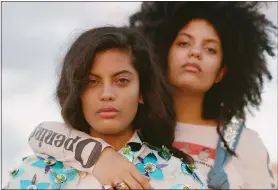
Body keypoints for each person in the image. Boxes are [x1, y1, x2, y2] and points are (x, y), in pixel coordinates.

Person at [25, 2, 277, 189]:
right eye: (183, 43)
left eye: (210, 49)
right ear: (162, 51)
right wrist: (100, 155)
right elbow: (41, 134)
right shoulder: (127, 118)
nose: (195, 54)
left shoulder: (242, 142)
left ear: (223, 71)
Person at [5, 26, 207, 189]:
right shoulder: (34, 173)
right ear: (77, 93)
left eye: (122, 80)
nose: (107, 94)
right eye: (92, 82)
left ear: (142, 92)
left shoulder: (178, 177)